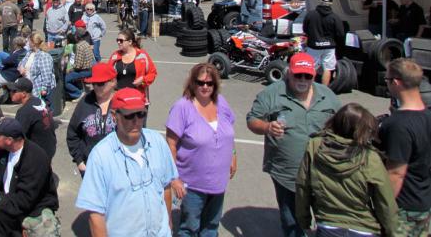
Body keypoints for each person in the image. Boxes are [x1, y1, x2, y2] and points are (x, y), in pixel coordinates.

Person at [246, 52, 341, 237]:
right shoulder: (271, 94)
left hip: (323, 172)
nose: (303, 80)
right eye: (298, 75)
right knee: (291, 222)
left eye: (308, 76)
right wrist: (267, 127)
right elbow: (252, 120)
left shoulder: (328, 96)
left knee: (328, 221)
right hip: (287, 174)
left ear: (315, 74)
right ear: (289, 73)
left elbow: (342, 124)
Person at [76, 88, 179, 236]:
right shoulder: (100, 156)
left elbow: (166, 187)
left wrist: (168, 224)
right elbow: (95, 213)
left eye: (141, 114)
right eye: (129, 115)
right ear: (114, 116)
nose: (136, 121)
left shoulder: (157, 142)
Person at [296, 103, 398, 237]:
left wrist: (304, 221)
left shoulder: (315, 146)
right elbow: (385, 202)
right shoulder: (369, 157)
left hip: (327, 224)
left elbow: (302, 186)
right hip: (363, 228)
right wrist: (393, 232)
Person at [166, 63, 237, 237]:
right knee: (189, 228)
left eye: (210, 83)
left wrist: (233, 154)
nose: (205, 87)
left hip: (218, 182)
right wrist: (174, 178)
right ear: (193, 83)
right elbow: (171, 144)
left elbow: (228, 134)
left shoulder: (222, 103)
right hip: (192, 184)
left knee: (211, 227)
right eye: (200, 83)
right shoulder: (182, 107)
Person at [0, 118, 60, 237]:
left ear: (9, 140)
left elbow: (24, 201)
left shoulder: (35, 158)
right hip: (6, 203)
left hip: (30, 210)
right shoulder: (2, 150)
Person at [378, 58, 431, 236]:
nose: (387, 85)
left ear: (397, 82)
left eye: (387, 80)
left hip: (404, 209)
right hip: (424, 203)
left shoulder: (397, 124)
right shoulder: (428, 116)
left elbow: (396, 173)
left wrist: (383, 210)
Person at [66, 63, 118, 177]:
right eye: (94, 83)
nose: (96, 87)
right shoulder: (85, 102)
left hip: (118, 169)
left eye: (100, 83)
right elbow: (72, 133)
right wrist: (79, 161)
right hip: (91, 168)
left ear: (113, 82)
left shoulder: (122, 102)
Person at [302, 0, 345, 87]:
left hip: (313, 46)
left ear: (321, 1)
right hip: (329, 46)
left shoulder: (311, 14)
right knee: (327, 69)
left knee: (312, 68)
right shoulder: (334, 17)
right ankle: (324, 90)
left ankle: (309, 89)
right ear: (331, 3)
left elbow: (305, 29)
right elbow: (341, 34)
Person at [9, 78, 57, 160]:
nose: (10, 93)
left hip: (38, 155)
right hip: (50, 147)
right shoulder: (38, 101)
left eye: (14, 91)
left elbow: (16, 136)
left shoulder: (24, 111)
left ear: (24, 94)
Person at [108, 28, 157, 97]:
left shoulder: (142, 55)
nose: (118, 42)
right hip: (118, 97)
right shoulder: (115, 56)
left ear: (130, 42)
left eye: (121, 40)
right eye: (117, 40)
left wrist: (143, 80)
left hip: (137, 97)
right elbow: (107, 74)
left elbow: (152, 73)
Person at [18, 33, 56, 110]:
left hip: (39, 90)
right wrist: (21, 67)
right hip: (30, 88)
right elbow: (21, 62)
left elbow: (46, 74)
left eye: (28, 41)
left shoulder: (43, 56)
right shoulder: (30, 53)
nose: (27, 43)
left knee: (43, 112)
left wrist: (44, 89)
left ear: (33, 43)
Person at [64, 22, 95, 100]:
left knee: (65, 80)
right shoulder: (86, 43)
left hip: (85, 71)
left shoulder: (79, 46)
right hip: (91, 68)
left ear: (77, 37)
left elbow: (78, 65)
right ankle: (79, 90)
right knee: (71, 75)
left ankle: (78, 94)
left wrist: (69, 70)